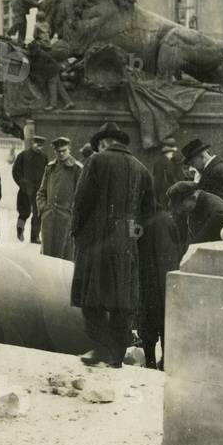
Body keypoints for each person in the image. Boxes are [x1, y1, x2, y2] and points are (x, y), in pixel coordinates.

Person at [71, 122, 152, 368]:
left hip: (97, 240)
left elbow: (81, 201)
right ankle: (116, 354)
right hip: (127, 243)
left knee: (90, 298)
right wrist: (132, 233)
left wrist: (77, 232)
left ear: (103, 143)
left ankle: (103, 348)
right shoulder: (142, 169)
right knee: (122, 300)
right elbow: (149, 213)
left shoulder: (96, 161)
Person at [137, 207, 183, 370]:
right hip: (165, 281)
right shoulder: (167, 220)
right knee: (163, 322)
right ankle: (164, 362)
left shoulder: (146, 221)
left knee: (149, 322)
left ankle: (152, 363)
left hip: (152, 281)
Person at [36, 136, 82, 260]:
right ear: (54, 152)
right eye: (58, 151)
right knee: (47, 256)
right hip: (49, 219)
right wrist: (44, 209)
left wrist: (72, 214)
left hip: (66, 219)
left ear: (69, 150)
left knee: (65, 257)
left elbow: (81, 196)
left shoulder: (77, 169)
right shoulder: (50, 168)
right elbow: (41, 192)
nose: (61, 154)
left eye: (64, 151)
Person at [167, 179, 223, 247]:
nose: (180, 211)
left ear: (193, 198)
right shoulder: (196, 205)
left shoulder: (217, 214)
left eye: (181, 206)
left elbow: (198, 244)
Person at [12, 134, 48, 242]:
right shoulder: (23, 155)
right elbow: (15, 171)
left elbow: (47, 174)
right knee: (24, 213)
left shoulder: (44, 157)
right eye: (36, 144)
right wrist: (21, 183)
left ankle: (35, 237)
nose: (38, 147)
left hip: (38, 191)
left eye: (40, 145)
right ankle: (20, 230)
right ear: (32, 143)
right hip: (25, 190)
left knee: (37, 215)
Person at [181, 138, 223, 204]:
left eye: (192, 163)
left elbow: (222, 202)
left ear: (201, 156)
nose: (191, 168)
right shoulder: (213, 169)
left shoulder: (217, 171)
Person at [149, 137, 187, 211]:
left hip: (164, 195)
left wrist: (156, 198)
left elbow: (157, 183)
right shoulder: (181, 160)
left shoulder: (160, 162)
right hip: (179, 195)